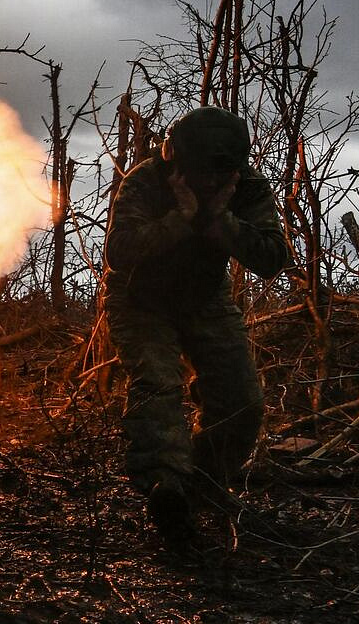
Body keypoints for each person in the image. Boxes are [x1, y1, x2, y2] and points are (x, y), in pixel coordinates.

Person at [102, 104, 290, 554]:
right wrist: (182, 220)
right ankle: (165, 489)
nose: (206, 181)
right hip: (140, 301)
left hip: (205, 300)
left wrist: (217, 220)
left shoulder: (245, 187)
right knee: (158, 386)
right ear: (176, 161)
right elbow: (120, 252)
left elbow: (271, 258)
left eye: (215, 174)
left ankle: (197, 490)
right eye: (195, 171)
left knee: (242, 402)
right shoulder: (147, 180)